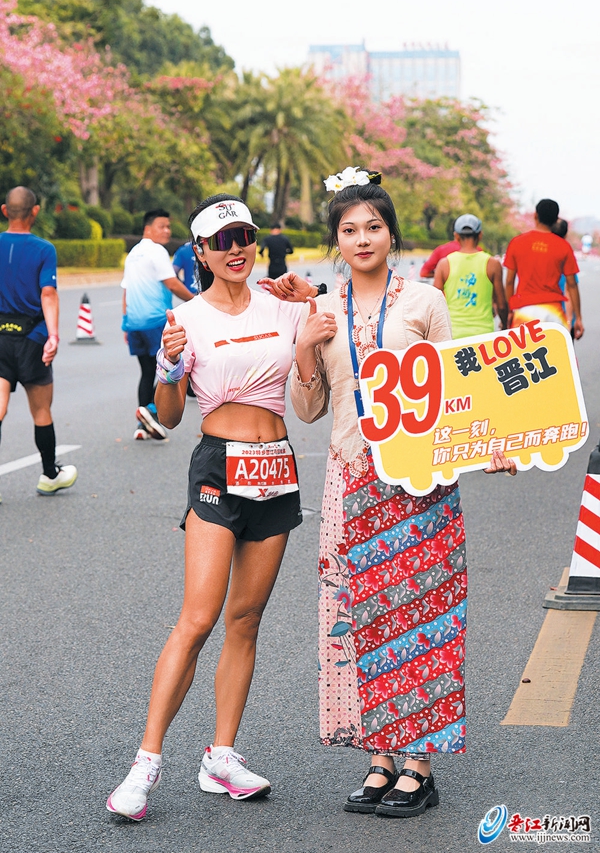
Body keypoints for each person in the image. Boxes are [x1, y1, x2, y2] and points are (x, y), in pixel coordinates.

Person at [263, 169, 515, 819]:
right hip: (350, 481)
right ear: (336, 241)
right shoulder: (321, 310)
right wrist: (305, 352)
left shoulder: (423, 301)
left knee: (423, 618)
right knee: (360, 616)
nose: (362, 237)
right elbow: (309, 409)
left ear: (391, 232)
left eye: (373, 226)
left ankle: (420, 765)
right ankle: (379, 756)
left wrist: (493, 445)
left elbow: (463, 391)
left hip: (420, 484)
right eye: (349, 229)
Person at [107, 194, 324, 822]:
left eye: (245, 236)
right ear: (199, 253)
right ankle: (145, 764)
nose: (236, 249)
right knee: (198, 618)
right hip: (217, 471)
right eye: (221, 240)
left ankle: (220, 755)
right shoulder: (188, 318)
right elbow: (170, 418)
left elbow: (327, 368)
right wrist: (171, 364)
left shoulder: (285, 307)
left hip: (278, 469)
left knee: (246, 618)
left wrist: (314, 297)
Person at [0, 187, 77, 494]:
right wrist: (54, 335)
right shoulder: (44, 249)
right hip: (33, 337)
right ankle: (49, 475)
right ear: (35, 212)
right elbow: (48, 292)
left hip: (0, 339)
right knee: (41, 410)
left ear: (6, 211)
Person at [121, 209, 194, 441]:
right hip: (155, 322)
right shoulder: (157, 251)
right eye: (162, 226)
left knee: (146, 373)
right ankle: (151, 411)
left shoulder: (132, 254)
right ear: (148, 228)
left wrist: (125, 323)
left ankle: (142, 426)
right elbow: (172, 284)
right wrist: (198, 302)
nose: (167, 231)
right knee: (169, 370)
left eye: (168, 227)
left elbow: (126, 291)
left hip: (134, 323)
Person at [503, 199, 583, 339]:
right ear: (556, 219)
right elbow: (572, 285)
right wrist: (579, 319)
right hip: (554, 312)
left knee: (524, 357)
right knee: (557, 357)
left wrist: (510, 311)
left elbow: (509, 281)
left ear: (535, 215)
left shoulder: (517, 243)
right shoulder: (563, 246)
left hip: (524, 309)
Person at [433, 214, 507, 336]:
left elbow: (434, 303)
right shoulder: (492, 264)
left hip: (452, 333)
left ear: (456, 236)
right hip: (483, 334)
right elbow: (501, 304)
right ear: (480, 235)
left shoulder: (444, 264)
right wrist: (504, 325)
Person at [552, 218, 577, 335]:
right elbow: (569, 290)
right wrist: (569, 320)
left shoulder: (541, 255)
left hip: (540, 318)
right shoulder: (566, 253)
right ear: (566, 234)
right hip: (561, 318)